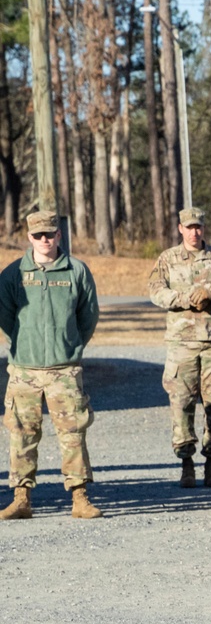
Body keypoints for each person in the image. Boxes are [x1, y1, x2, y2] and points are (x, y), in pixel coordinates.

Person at [0, 211, 102, 520]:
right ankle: (21, 497)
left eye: (50, 234)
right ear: (29, 238)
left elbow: (88, 315)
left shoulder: (76, 271)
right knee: (21, 434)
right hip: (25, 370)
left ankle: (80, 496)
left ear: (59, 235)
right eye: (38, 235)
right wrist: (24, 342)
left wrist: (70, 345)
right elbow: (4, 316)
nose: (44, 240)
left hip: (64, 370)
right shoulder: (13, 274)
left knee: (72, 433)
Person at [149, 207, 211, 487]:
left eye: (198, 227)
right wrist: (185, 298)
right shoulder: (168, 259)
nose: (194, 232)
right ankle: (186, 464)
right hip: (181, 343)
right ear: (180, 228)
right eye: (189, 227)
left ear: (203, 228)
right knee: (181, 404)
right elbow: (156, 292)